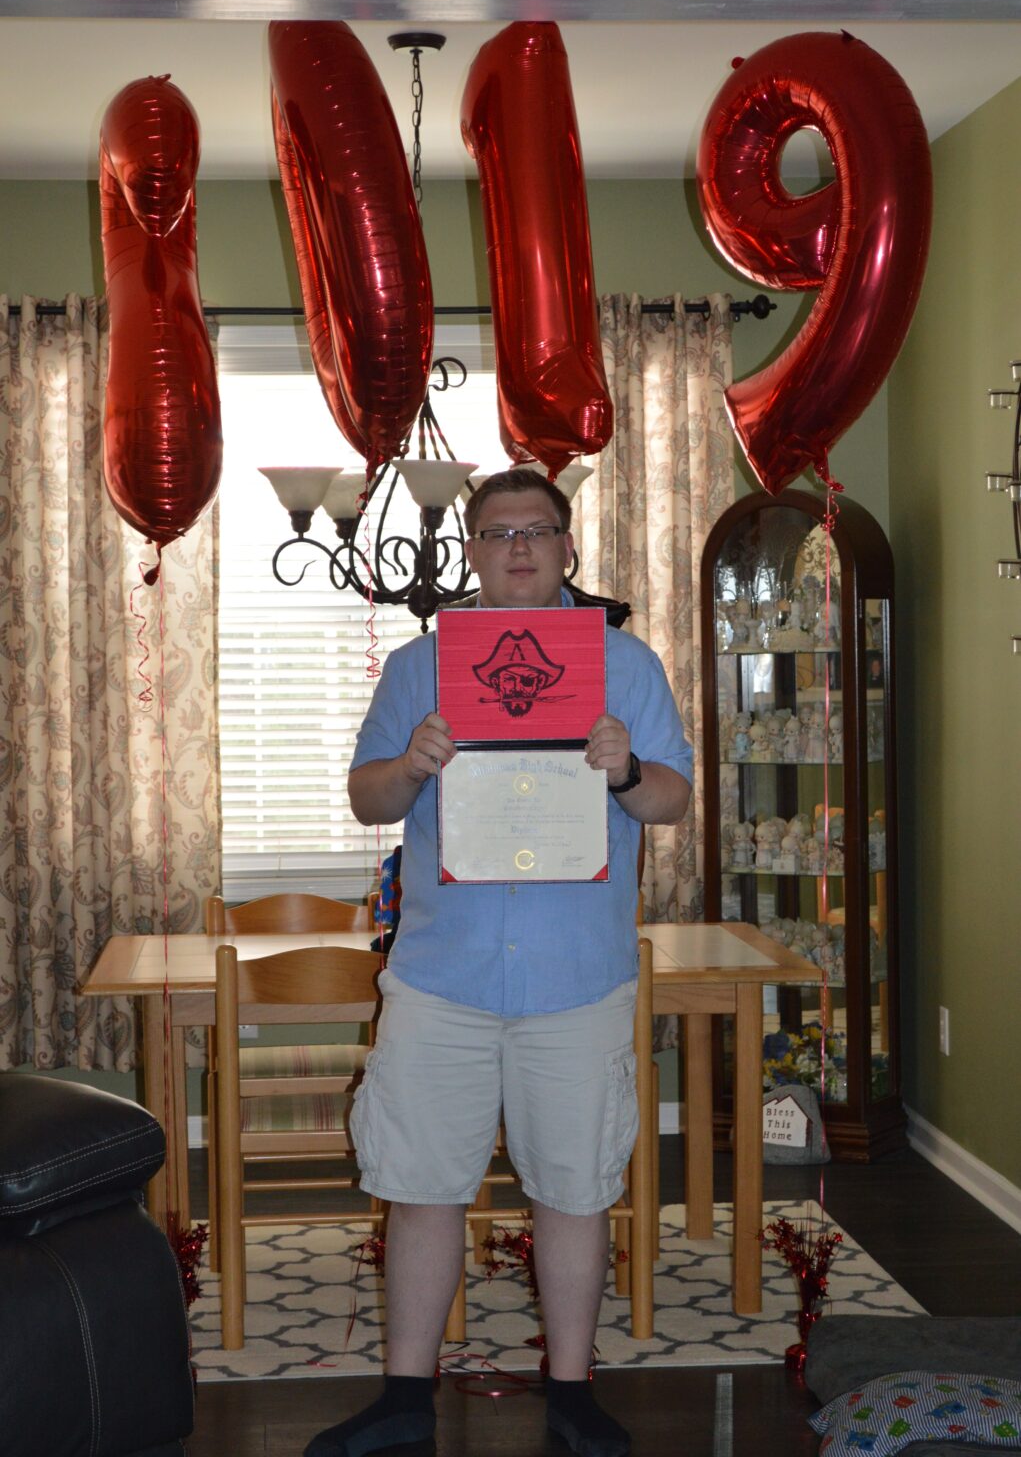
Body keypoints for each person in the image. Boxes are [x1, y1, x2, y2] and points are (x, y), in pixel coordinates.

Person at [305, 467, 692, 1457]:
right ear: (470, 551)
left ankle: (571, 1393)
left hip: (577, 979)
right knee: (421, 1187)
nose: (517, 546)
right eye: (496, 532)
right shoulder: (418, 667)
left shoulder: (626, 666)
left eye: (536, 529)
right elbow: (366, 797)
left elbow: (672, 801)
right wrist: (411, 764)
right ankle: (404, 1398)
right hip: (444, 977)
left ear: (567, 546)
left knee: (573, 1190)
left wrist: (626, 770)